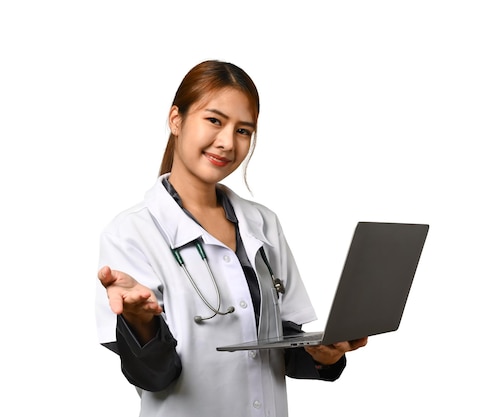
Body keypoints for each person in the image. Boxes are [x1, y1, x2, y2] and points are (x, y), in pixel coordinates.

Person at [95, 59, 368, 417]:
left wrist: (322, 356)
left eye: (243, 130)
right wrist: (140, 321)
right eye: (214, 120)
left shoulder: (263, 223)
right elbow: (154, 376)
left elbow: (280, 342)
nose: (227, 142)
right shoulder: (131, 232)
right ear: (176, 119)